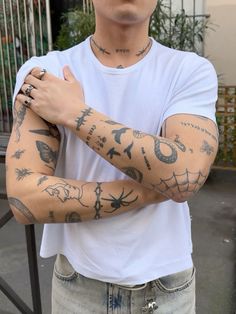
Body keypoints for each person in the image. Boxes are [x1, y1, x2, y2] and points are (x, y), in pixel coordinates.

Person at [6, 0, 218, 313]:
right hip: (77, 289)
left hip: (166, 290)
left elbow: (186, 174)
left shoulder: (189, 71)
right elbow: (25, 198)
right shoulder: (46, 73)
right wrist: (155, 188)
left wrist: (75, 113)